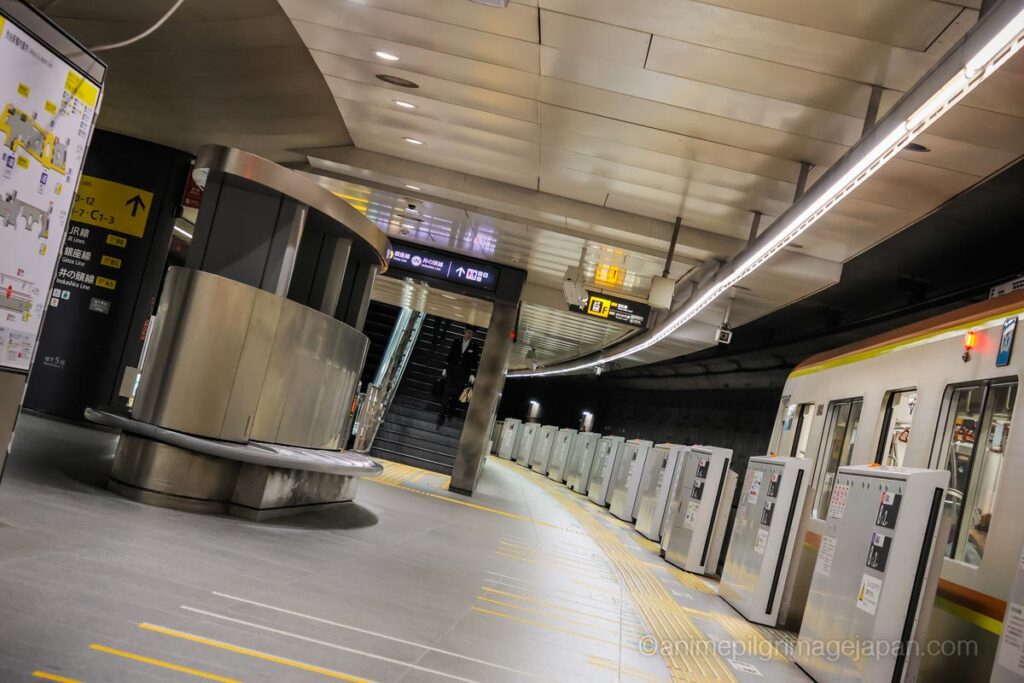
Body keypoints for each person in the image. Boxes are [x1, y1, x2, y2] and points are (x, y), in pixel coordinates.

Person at [437, 326, 480, 427]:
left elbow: (475, 361)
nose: (469, 334)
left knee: (457, 393)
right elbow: (450, 355)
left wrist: (473, 374)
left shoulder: (475, 346)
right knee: (446, 392)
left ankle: (451, 410)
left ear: (473, 335)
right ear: (464, 332)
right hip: (452, 371)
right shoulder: (456, 341)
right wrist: (445, 368)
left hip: (463, 374)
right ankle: (441, 415)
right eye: (467, 332)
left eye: (471, 333)